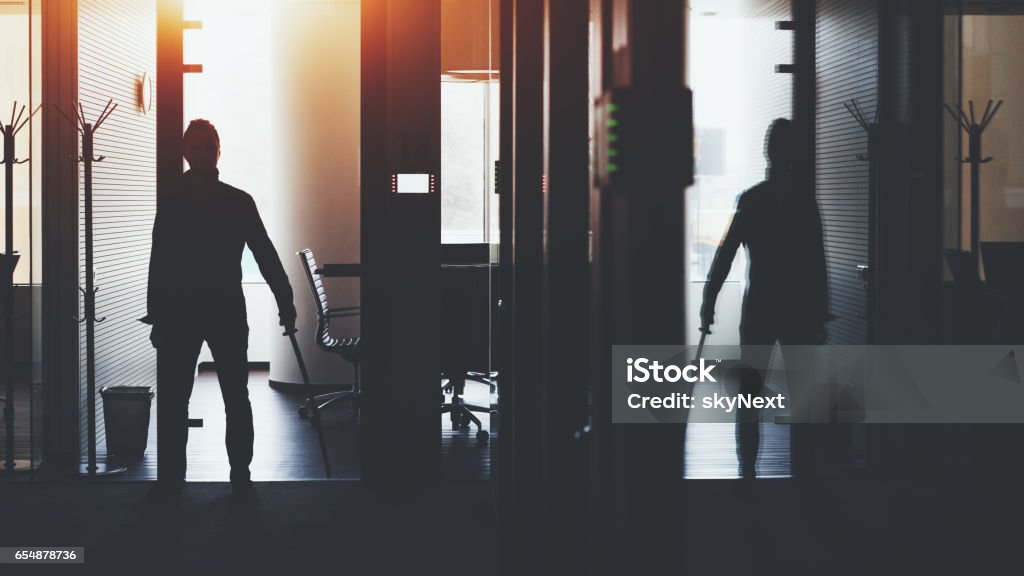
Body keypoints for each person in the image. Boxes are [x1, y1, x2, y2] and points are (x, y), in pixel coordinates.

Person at [144, 119, 296, 499]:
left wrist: (286, 299)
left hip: (211, 310)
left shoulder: (227, 200)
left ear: (217, 150)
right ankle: (187, 476)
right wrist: (156, 315)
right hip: (201, 309)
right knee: (190, 397)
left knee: (232, 396)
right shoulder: (216, 201)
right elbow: (159, 260)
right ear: (185, 152)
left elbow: (265, 254)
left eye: (206, 146)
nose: (201, 152)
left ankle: (235, 473)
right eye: (196, 146)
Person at [699, 118, 828, 480]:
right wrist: (819, 312)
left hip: (759, 308)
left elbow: (724, 254)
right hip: (798, 311)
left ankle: (748, 470)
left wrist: (709, 299)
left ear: (767, 153)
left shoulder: (752, 200)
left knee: (749, 394)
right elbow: (817, 262)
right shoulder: (805, 203)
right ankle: (804, 472)